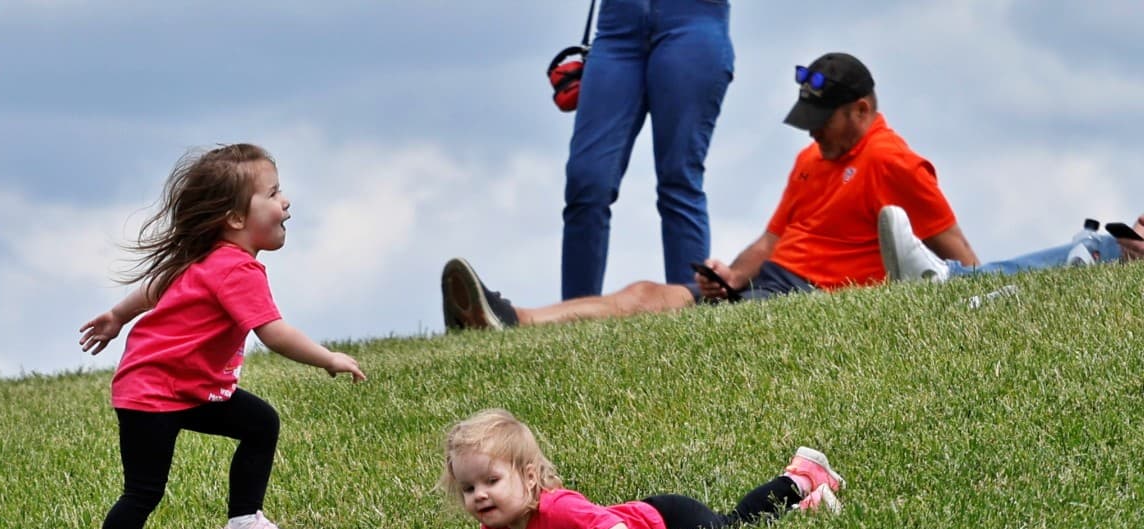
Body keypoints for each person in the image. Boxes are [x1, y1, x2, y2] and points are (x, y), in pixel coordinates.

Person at [441, 52, 978, 331]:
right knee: (649, 291)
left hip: (809, 296)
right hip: (769, 284)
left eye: (823, 119)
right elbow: (770, 242)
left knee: (651, 307)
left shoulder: (893, 162)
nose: (811, 130)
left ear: (862, 110)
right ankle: (514, 319)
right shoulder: (813, 158)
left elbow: (958, 257)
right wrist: (732, 276)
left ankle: (513, 322)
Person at [64, 143, 367, 529]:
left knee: (260, 423)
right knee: (143, 492)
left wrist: (118, 316)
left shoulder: (207, 257)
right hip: (152, 394)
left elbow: (156, 285)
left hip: (187, 388)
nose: (285, 202)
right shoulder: (234, 269)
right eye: (272, 193)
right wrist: (327, 357)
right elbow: (273, 332)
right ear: (234, 218)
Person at [441, 409, 844, 529]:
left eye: (491, 482)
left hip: (666, 520)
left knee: (733, 527)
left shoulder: (558, 508)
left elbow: (613, 528)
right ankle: (804, 486)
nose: (479, 495)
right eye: (468, 488)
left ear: (529, 478)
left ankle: (800, 484)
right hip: (652, 516)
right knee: (735, 524)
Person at [560, 0, 734, 299]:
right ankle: (573, 312)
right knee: (586, 179)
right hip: (617, 28)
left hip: (692, 22)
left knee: (679, 178)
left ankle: (688, 308)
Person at [881, 206, 1144, 282]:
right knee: (1100, 248)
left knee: (1102, 249)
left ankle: (950, 280)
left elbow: (950, 236)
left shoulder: (888, 156)